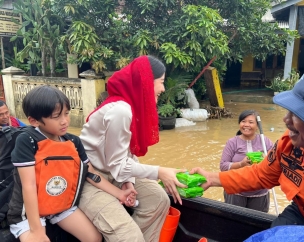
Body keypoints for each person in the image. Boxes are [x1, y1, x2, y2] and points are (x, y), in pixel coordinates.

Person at [191, 64, 304, 229]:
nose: (286, 120)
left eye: (297, 114)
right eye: (288, 112)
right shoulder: (289, 145)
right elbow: (261, 174)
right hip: (303, 214)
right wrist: (212, 178)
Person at [7, 86, 136, 242]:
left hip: (60, 206)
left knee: (93, 238)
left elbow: (90, 172)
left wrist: (120, 193)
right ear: (34, 121)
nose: (65, 121)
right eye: (56, 116)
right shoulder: (27, 140)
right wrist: (36, 231)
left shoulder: (73, 141)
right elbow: (29, 185)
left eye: (66, 114)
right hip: (28, 212)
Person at [78, 55, 186, 242]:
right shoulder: (120, 111)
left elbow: (125, 154)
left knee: (158, 200)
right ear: (144, 82)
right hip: (89, 178)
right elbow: (118, 164)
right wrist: (160, 172)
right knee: (129, 236)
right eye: (161, 81)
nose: (163, 88)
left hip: (113, 173)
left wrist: (129, 181)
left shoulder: (132, 109)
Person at [220, 110, 273, 212]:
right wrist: (241, 164)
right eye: (243, 121)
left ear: (257, 126)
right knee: (233, 221)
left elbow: (275, 163)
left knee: (257, 224)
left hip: (259, 191)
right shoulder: (232, 142)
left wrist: (265, 159)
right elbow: (223, 166)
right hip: (235, 190)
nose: (246, 125)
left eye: (251, 122)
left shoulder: (265, 141)